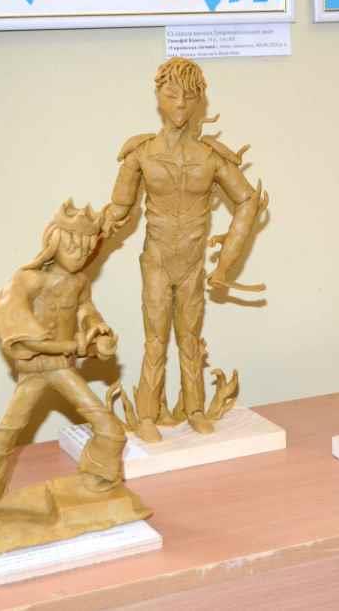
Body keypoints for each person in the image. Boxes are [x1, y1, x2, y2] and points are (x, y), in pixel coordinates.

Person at [102, 58, 266, 442]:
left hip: (192, 262)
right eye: (171, 94)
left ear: (199, 101)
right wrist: (82, 240)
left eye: (189, 96)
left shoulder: (210, 157)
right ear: (158, 97)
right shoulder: (141, 153)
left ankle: (194, 409)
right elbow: (118, 209)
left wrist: (226, 262)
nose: (179, 104)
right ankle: (147, 414)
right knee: (156, 338)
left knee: (190, 338)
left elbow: (247, 200)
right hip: (157, 260)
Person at [0, 201, 123, 520]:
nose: (80, 254)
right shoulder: (28, 280)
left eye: (87, 248)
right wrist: (74, 346)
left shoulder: (80, 283)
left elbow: (86, 310)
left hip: (61, 370)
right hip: (35, 370)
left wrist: (98, 330)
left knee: (108, 425)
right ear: (53, 241)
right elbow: (21, 335)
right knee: (8, 432)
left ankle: (99, 479)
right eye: (72, 245)